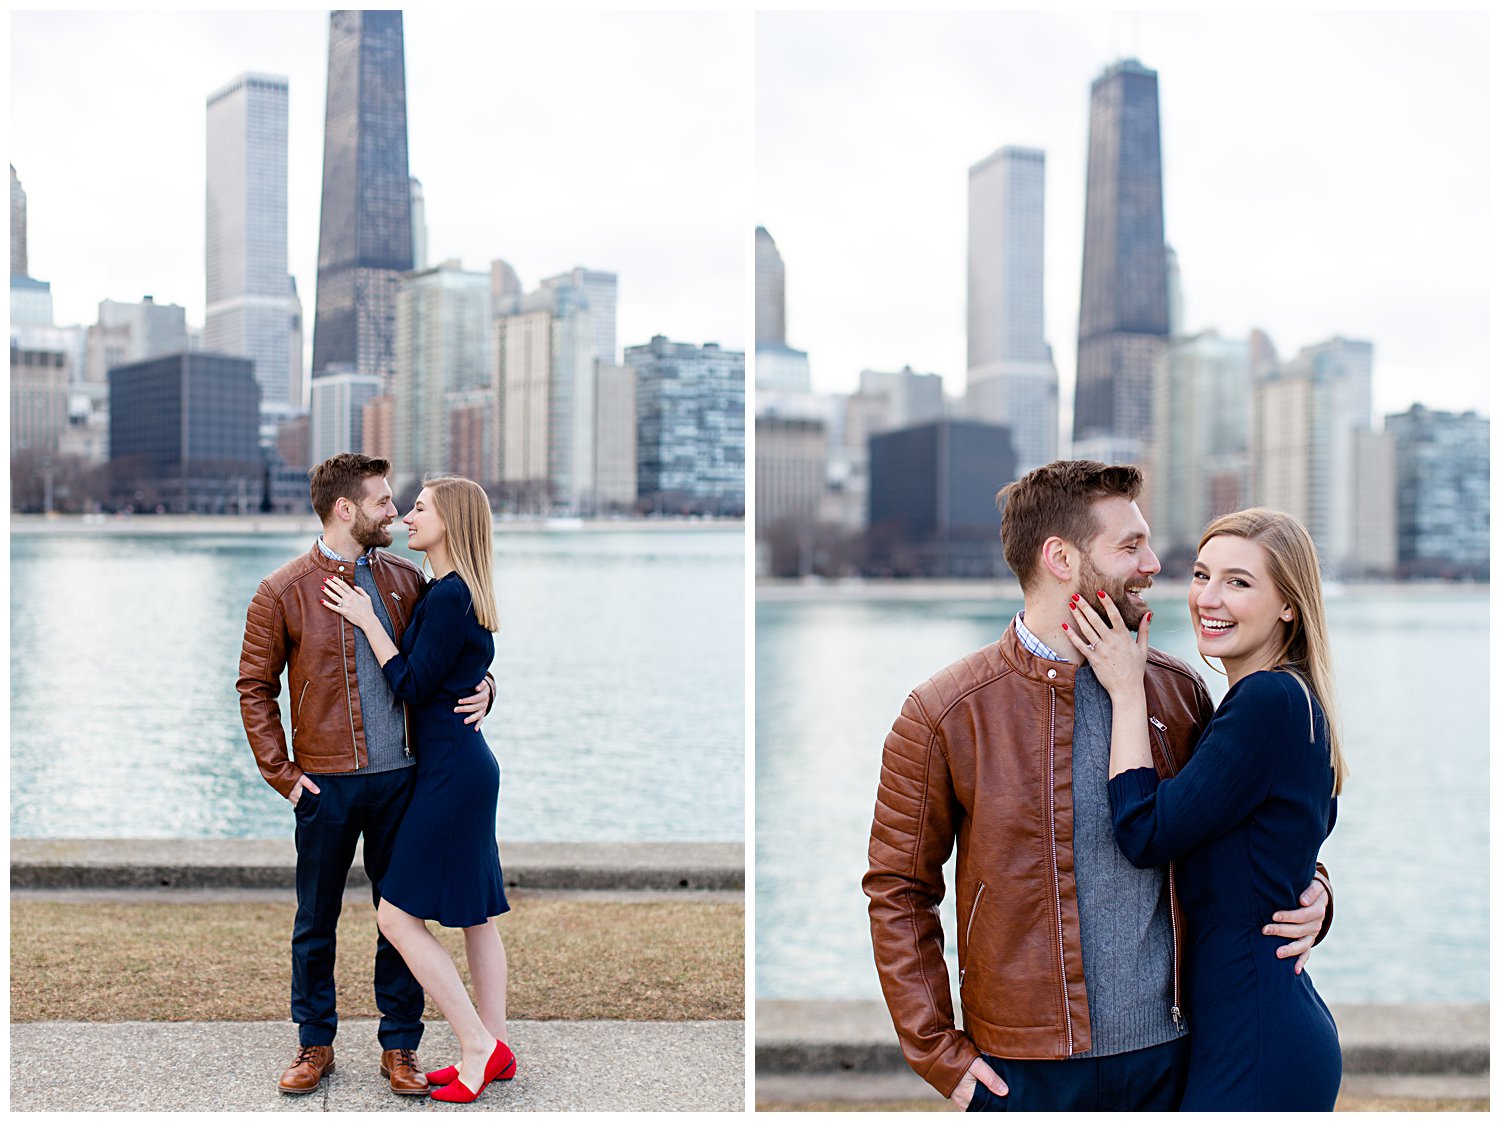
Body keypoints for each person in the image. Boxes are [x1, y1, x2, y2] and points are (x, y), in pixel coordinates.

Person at [864, 460, 1333, 1111]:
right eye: (1130, 546)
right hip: (1024, 1069)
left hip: (1175, 1056)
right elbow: (899, 888)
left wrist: (1316, 890)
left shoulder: (1179, 692)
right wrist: (939, 1052)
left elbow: (1249, 823)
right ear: (1061, 558)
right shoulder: (945, 711)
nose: (1153, 565)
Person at [1065, 508, 1343, 1108]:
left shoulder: (1268, 700)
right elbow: (1286, 842)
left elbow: (1145, 831)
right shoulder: (1286, 698)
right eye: (1200, 575)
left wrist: (1126, 690)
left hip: (1259, 1036)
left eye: (1238, 582)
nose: (1207, 598)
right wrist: (1317, 889)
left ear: (1288, 606)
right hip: (1251, 1022)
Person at [237, 453, 495, 1096]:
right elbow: (254, 688)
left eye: (399, 502)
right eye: (383, 501)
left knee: (400, 916)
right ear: (345, 508)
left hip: (405, 778)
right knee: (314, 920)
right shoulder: (282, 589)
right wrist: (285, 775)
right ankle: (313, 1045)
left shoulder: (411, 581)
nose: (394, 510)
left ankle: (400, 1048)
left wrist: (489, 687)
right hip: (324, 782)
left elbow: (449, 659)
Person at [321, 475, 513, 1104]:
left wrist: (368, 618)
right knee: (476, 917)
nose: (407, 515)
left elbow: (409, 683)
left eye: (421, 508)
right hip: (463, 765)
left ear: (449, 522)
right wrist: (489, 687)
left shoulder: (449, 597)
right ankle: (497, 1046)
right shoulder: (450, 593)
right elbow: (464, 668)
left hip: (451, 775)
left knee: (396, 914)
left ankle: (477, 1048)